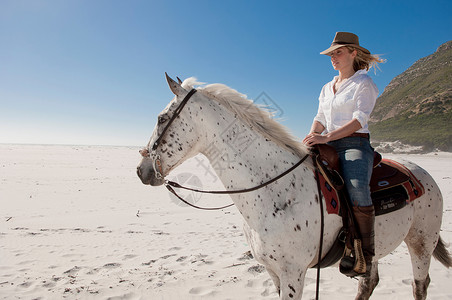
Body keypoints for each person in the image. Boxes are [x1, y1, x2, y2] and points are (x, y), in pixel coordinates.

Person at [303, 32, 384, 276]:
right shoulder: (327, 87)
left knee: (358, 187)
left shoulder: (364, 84)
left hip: (354, 144)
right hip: (325, 142)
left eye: (339, 52)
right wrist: (310, 137)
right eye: (331, 54)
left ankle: (365, 255)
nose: (333, 57)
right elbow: (319, 118)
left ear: (353, 53)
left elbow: (360, 120)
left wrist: (326, 137)